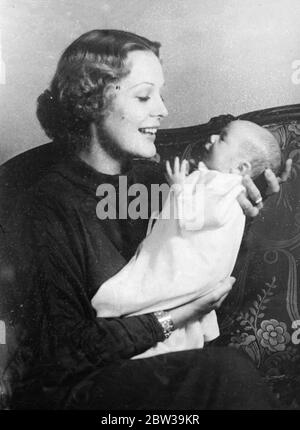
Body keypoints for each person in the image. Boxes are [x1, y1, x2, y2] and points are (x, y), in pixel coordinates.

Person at [1, 29, 291, 410]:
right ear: (92, 103)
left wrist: (238, 222)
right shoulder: (46, 207)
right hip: (81, 391)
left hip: (160, 371)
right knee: (226, 372)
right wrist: (169, 319)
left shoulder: (162, 182)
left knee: (226, 370)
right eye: (143, 95)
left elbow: (209, 297)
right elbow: (64, 354)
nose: (164, 109)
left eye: (160, 93)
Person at [91, 120, 282, 359]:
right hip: (174, 262)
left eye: (222, 137)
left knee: (136, 298)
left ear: (240, 167)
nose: (211, 138)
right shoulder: (212, 179)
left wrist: (180, 187)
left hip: (188, 268)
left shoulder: (224, 185)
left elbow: (197, 219)